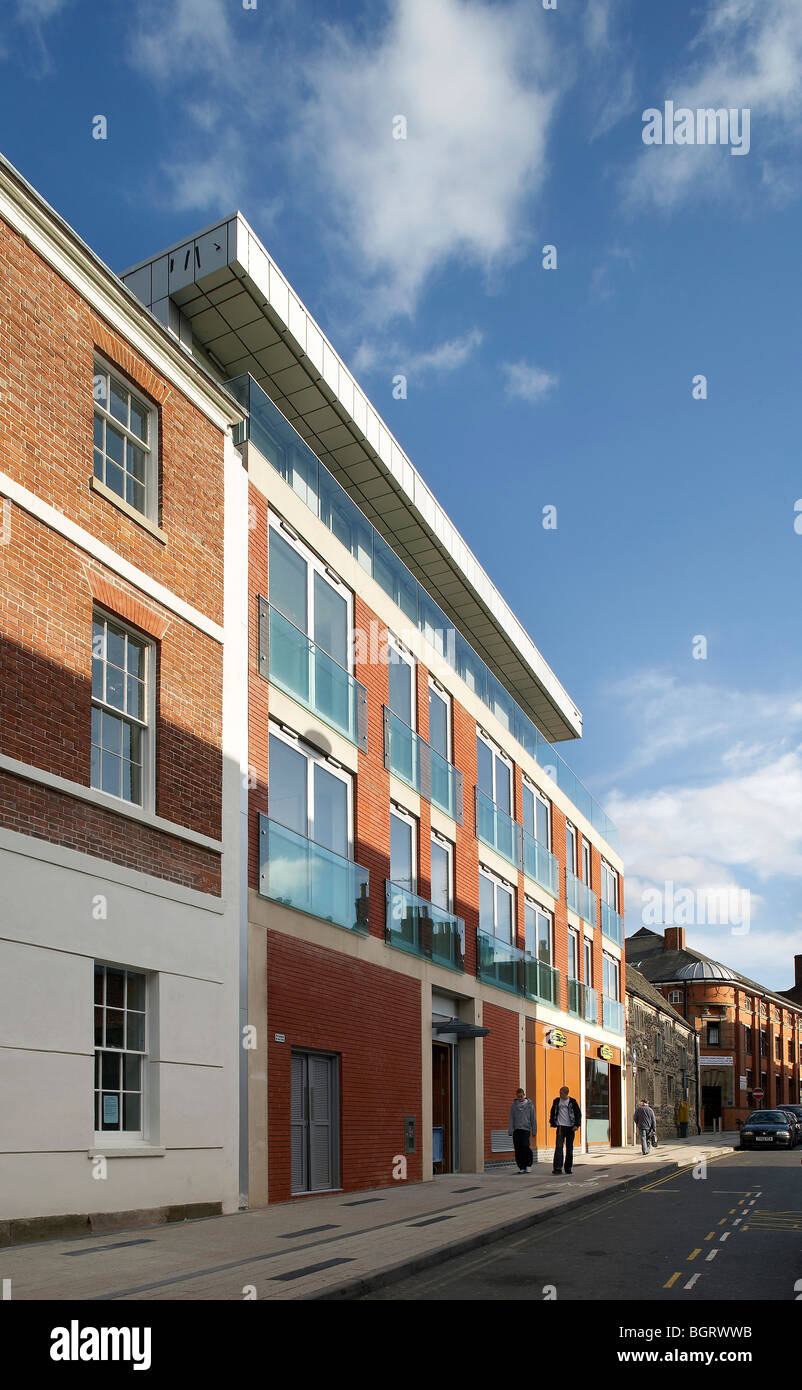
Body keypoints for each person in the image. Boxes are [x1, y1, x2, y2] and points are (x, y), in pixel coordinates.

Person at [549, 1085, 582, 1174]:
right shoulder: (556, 1101)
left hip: (570, 1128)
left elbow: (578, 1114)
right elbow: (552, 1112)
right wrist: (552, 1122)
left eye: (562, 1093)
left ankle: (568, 1168)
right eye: (560, 1093)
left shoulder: (572, 1102)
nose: (560, 1094)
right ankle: (557, 1168)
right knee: (559, 1147)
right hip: (560, 1127)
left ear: (566, 1094)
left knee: (569, 1148)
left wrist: (577, 1125)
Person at [508, 1087, 537, 1173]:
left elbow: (533, 1118)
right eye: (518, 1097)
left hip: (525, 1129)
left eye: (521, 1096)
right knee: (518, 1149)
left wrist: (534, 1130)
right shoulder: (514, 1106)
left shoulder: (529, 1105)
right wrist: (510, 1130)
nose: (520, 1098)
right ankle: (521, 1167)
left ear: (524, 1095)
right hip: (517, 1130)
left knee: (525, 1146)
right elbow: (511, 1118)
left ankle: (528, 1165)